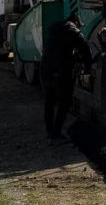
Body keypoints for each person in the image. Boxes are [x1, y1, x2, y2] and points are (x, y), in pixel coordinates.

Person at [40, 12, 93, 140]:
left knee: (50, 101)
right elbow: (85, 49)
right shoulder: (74, 31)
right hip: (60, 71)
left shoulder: (54, 29)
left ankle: (49, 131)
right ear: (76, 23)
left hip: (45, 68)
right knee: (65, 102)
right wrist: (88, 67)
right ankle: (56, 134)